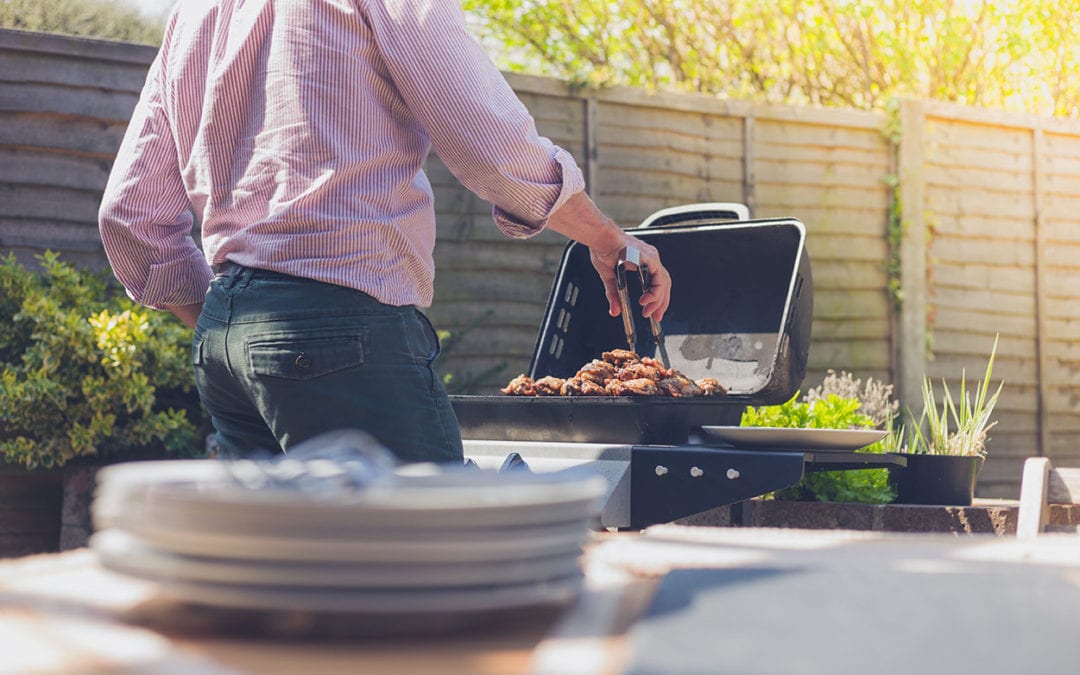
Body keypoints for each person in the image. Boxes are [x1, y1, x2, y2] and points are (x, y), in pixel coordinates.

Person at [98, 0, 671, 464]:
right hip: (344, 331)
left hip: (226, 341)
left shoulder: (194, 15)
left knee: (284, 581)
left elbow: (129, 214)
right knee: (433, 568)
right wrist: (604, 237)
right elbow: (494, 150)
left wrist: (241, 325)